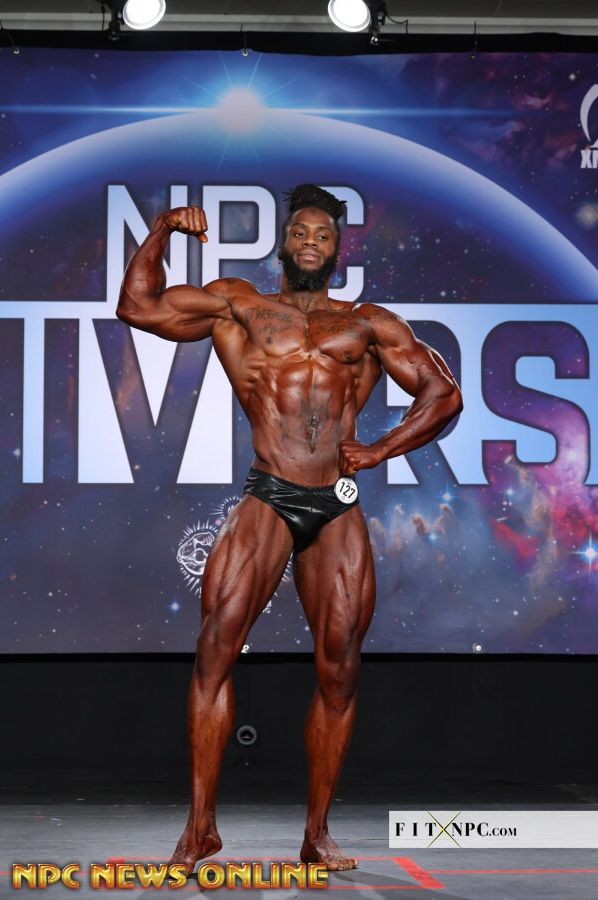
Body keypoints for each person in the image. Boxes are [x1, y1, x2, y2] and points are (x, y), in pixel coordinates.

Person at [116, 184, 463, 873]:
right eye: (301, 232)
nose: (311, 243)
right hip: (270, 493)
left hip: (336, 501)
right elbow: (139, 307)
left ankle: (317, 834)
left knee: (340, 668)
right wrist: (160, 230)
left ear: (338, 249)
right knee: (214, 650)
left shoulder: (367, 323)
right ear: (284, 242)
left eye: (323, 235)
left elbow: (444, 393)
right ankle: (199, 829)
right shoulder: (238, 304)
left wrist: (382, 448)